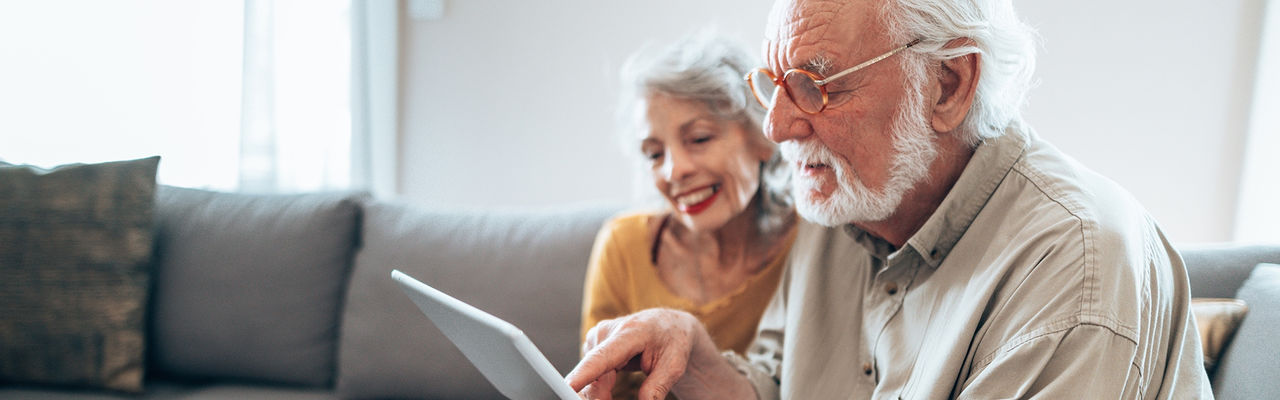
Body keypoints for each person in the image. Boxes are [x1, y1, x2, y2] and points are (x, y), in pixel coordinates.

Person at [567, 0, 1212, 399]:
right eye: (773, 85)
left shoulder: (1075, 263)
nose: (779, 128)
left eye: (816, 85)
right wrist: (694, 355)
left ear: (948, 84)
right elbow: (776, 389)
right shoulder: (840, 196)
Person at [579, 31, 799, 399]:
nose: (674, 171)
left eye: (699, 139)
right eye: (654, 154)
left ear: (763, 135)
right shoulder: (622, 246)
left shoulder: (813, 245)